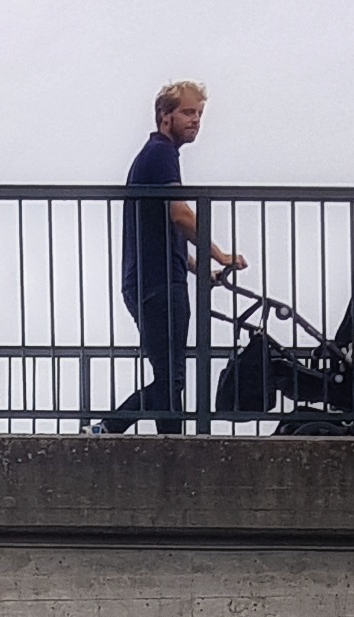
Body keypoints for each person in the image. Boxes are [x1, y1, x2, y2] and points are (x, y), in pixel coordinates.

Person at [95, 83, 246, 435]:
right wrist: (221, 255)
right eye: (188, 113)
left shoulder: (152, 155)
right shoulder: (161, 154)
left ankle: (170, 447)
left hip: (148, 281)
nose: (196, 121)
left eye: (200, 115)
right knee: (171, 379)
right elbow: (181, 216)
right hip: (159, 284)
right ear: (166, 117)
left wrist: (198, 268)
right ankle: (107, 428)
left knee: (168, 378)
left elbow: (164, 228)